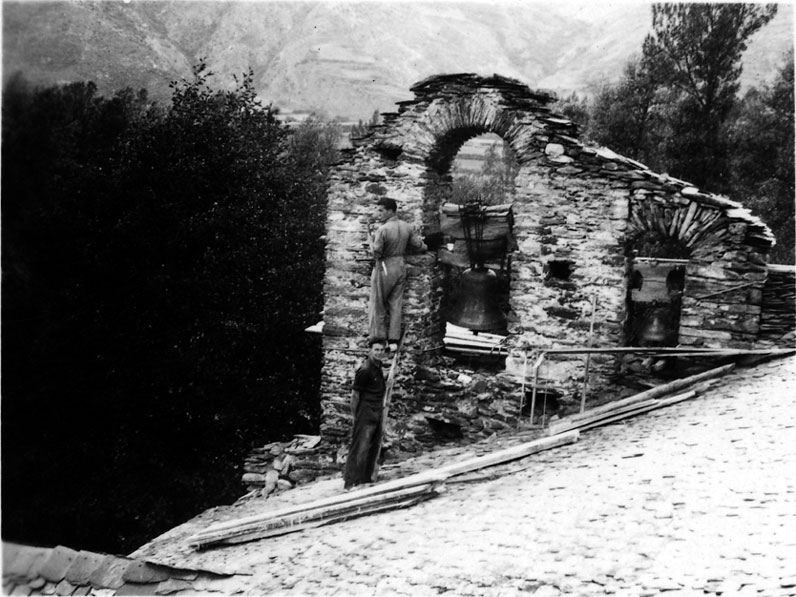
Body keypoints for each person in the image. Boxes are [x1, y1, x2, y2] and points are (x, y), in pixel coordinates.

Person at [368, 197, 427, 351]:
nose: (378, 213)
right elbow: (418, 245)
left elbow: (376, 253)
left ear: (391, 211)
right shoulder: (406, 226)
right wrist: (426, 245)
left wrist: (370, 241)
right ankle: (394, 340)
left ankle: (378, 338)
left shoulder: (383, 229)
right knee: (396, 303)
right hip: (400, 266)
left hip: (384, 266)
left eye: (381, 210)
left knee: (378, 303)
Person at [343, 339, 388, 490]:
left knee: (373, 445)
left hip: (376, 410)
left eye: (381, 350)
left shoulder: (378, 366)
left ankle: (364, 479)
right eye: (376, 350)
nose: (379, 352)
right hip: (365, 412)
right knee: (360, 446)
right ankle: (351, 482)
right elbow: (355, 395)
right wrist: (356, 416)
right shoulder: (365, 369)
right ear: (370, 350)